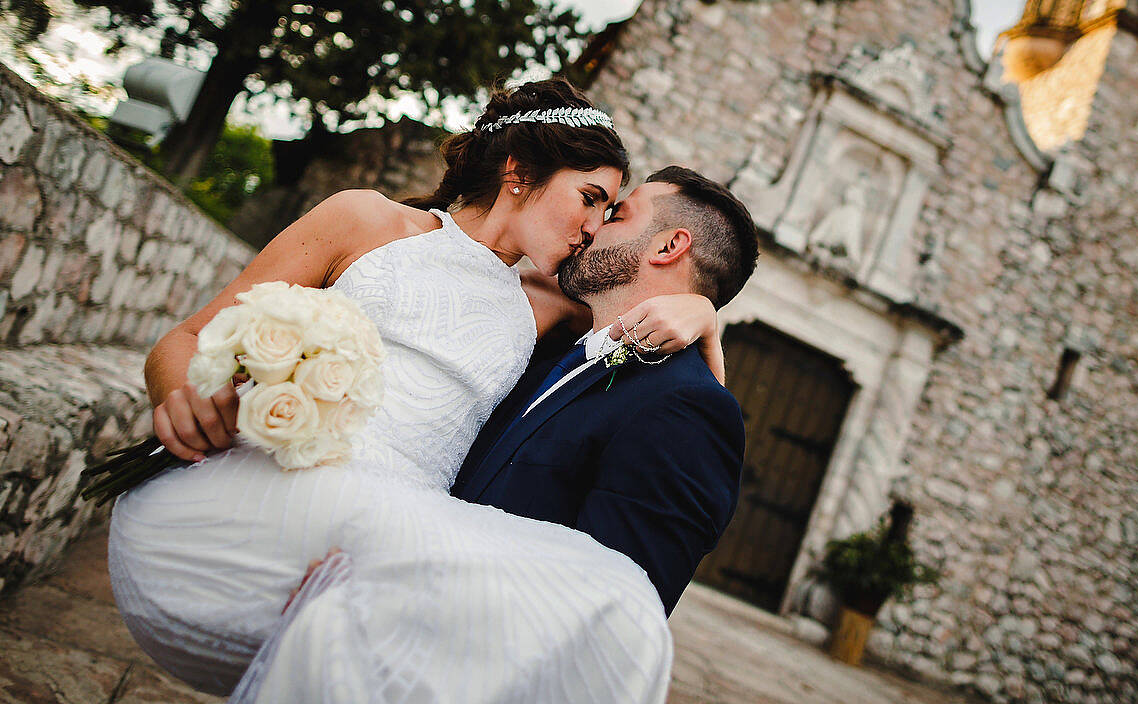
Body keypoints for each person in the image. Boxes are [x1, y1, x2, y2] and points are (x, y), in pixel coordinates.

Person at [106, 78, 722, 704]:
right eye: (589, 200)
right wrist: (181, 396)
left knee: (615, 601)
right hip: (264, 492)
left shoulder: (548, 304)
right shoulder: (365, 221)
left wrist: (702, 310)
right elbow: (186, 339)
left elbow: (649, 310)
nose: (592, 228)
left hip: (393, 556)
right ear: (518, 172)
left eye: (607, 211)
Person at [452, 166, 758, 616]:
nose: (591, 226)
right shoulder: (553, 350)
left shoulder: (687, 408)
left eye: (616, 216)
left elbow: (611, 612)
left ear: (668, 247)